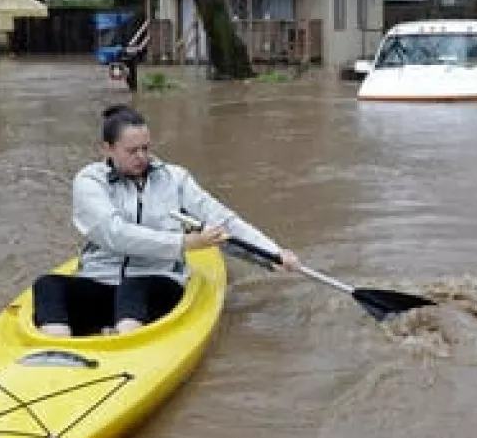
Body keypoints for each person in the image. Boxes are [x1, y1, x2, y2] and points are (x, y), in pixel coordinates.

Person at [32, 104, 300, 337]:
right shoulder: (89, 181)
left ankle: (125, 341)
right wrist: (184, 242)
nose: (141, 157)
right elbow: (114, 234)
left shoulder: (175, 179)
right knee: (47, 285)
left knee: (133, 286)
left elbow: (222, 221)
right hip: (100, 282)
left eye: (146, 148)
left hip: (156, 283)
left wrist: (272, 254)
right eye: (132, 151)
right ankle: (56, 351)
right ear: (107, 149)